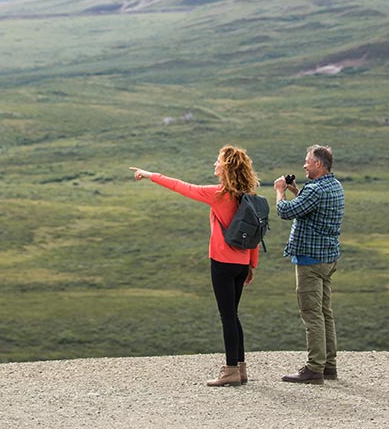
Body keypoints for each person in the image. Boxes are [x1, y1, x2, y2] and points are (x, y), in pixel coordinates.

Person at [130, 145, 261, 387]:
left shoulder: (218, 194)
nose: (215, 164)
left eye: (218, 161)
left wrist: (150, 175)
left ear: (227, 168)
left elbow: (182, 186)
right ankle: (240, 368)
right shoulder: (249, 197)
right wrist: (251, 264)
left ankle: (231, 370)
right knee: (234, 315)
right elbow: (255, 235)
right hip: (242, 264)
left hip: (222, 263)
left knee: (227, 317)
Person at [274, 145, 344, 384]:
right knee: (325, 313)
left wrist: (280, 191)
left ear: (318, 164)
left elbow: (285, 212)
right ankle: (329, 366)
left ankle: (314, 368)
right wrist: (297, 191)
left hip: (310, 261)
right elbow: (311, 210)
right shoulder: (334, 186)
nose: (304, 165)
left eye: (307, 161)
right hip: (328, 258)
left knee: (311, 314)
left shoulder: (315, 190)